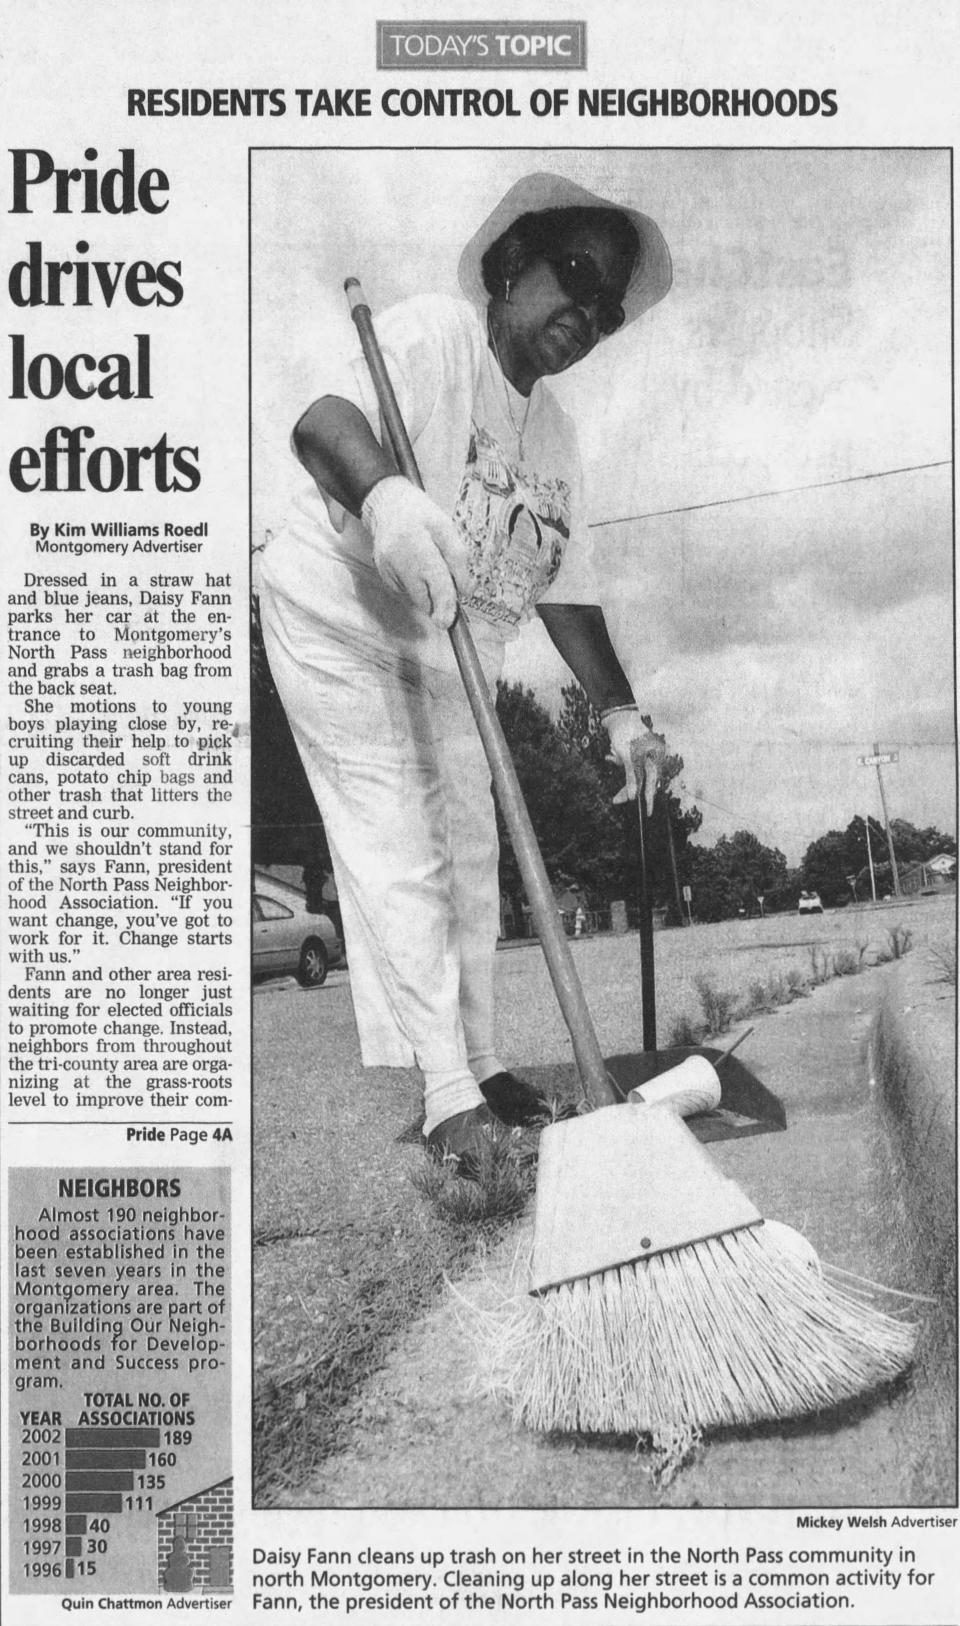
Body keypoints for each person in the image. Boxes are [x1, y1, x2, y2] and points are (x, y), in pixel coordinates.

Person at [257, 172, 672, 1178]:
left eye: (608, 304)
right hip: (340, 607)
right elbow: (321, 421)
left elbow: (564, 587)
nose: (589, 312)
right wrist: (389, 497)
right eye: (575, 275)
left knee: (473, 855)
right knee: (397, 840)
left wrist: (622, 716)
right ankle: (447, 1102)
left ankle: (479, 1065)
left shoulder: (557, 436)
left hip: (448, 647)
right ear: (510, 267)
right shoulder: (439, 335)